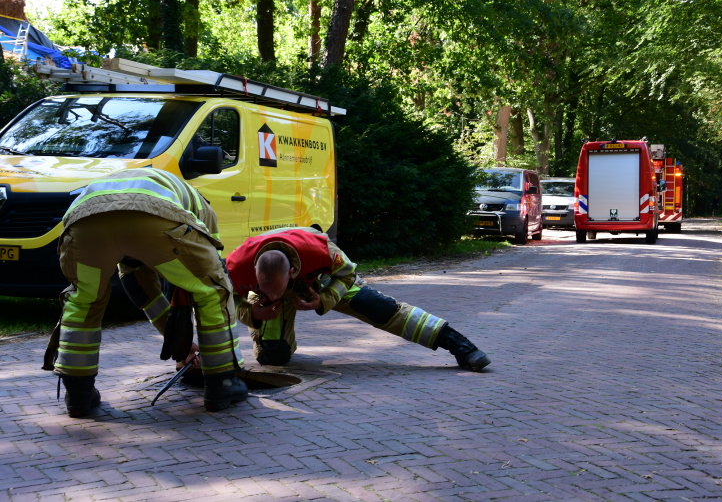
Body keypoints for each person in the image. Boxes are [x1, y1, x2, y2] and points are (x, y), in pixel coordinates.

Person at [42, 168, 247, 417]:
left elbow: (137, 284)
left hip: (83, 223)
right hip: (151, 217)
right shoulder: (203, 209)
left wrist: (177, 340)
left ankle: (78, 394)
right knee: (213, 291)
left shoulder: (138, 185)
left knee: (84, 300)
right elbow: (204, 271)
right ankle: (222, 384)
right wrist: (199, 345)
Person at [227, 227, 491, 371]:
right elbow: (226, 298)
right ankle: (275, 337)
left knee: (382, 309)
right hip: (267, 300)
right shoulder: (236, 264)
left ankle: (462, 346)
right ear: (253, 274)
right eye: (266, 288)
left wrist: (324, 300)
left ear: (292, 272)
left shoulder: (321, 251)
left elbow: (348, 276)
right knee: (273, 358)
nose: (273, 294)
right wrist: (253, 314)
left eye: (277, 288)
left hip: (324, 284)